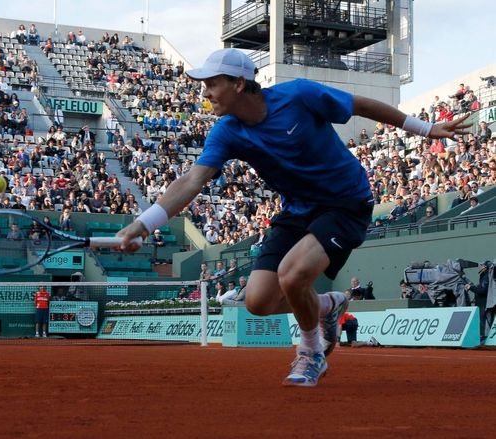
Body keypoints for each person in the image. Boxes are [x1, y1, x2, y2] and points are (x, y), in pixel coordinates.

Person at [116, 48, 469, 387]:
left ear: (239, 84)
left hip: (345, 202)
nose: (206, 92)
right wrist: (142, 224)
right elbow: (193, 180)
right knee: (257, 302)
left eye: (212, 83)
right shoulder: (226, 131)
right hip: (296, 210)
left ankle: (311, 350)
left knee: (292, 273)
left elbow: (361, 106)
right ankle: (327, 305)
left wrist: (425, 129)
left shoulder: (299, 95)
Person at [466, 261, 492, 343]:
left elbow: (482, 290)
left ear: (486, 267)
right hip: (481, 302)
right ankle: (484, 338)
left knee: (484, 320)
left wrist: (471, 288)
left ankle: (485, 339)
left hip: (484, 303)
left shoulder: (486, 276)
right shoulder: (484, 276)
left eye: (482, 265)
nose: (481, 267)